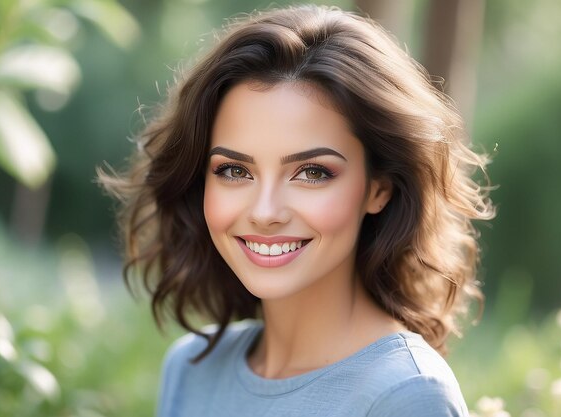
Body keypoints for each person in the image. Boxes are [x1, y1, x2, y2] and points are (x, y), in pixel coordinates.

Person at [100, 5, 494, 416]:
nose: (265, 211)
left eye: (311, 172)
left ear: (379, 188)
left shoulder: (407, 394)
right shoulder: (190, 369)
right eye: (234, 170)